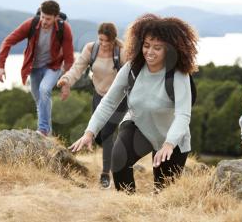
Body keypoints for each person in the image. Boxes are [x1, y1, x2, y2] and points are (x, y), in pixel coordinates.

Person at [68, 13, 198, 193]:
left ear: (168, 49)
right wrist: (90, 132)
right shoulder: (132, 68)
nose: (149, 52)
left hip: (172, 139)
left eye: (157, 48)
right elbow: (108, 102)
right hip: (140, 127)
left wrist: (168, 144)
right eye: (146, 45)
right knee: (119, 159)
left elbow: (183, 114)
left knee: (163, 192)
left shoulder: (178, 74)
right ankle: (126, 204)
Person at [57, 22, 127, 189]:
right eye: (100, 40)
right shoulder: (91, 49)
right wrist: (66, 79)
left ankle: (105, 173)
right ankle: (117, 151)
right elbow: (78, 67)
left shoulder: (121, 51)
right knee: (99, 136)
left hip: (118, 99)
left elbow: (132, 73)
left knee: (108, 133)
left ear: (113, 39)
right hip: (99, 96)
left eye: (107, 41)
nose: (103, 44)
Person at [0, 0, 74, 136]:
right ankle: (48, 133)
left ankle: (43, 130)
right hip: (34, 68)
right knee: (40, 101)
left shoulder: (64, 28)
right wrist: (1, 66)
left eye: (48, 19)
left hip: (53, 66)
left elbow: (69, 59)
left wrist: (66, 84)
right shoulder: (32, 24)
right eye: (42, 17)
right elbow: (7, 41)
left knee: (44, 90)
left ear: (56, 17)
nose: (44, 21)